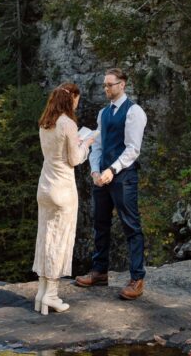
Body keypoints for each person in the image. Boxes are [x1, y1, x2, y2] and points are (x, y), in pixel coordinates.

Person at [74, 67, 147, 300]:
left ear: (122, 84)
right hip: (102, 176)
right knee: (100, 223)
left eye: (110, 85)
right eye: (104, 85)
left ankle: (137, 278)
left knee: (131, 226)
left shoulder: (134, 111)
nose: (106, 89)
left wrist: (112, 170)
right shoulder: (103, 113)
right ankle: (99, 272)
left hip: (124, 177)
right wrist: (95, 170)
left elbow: (133, 149)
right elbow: (98, 145)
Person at [32, 81, 96, 315]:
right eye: (76, 101)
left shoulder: (45, 123)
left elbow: (54, 154)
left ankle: (41, 292)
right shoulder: (68, 123)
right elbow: (75, 159)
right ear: (71, 99)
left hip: (45, 187)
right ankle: (52, 295)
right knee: (60, 240)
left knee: (45, 237)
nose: (77, 105)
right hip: (63, 189)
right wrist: (87, 143)